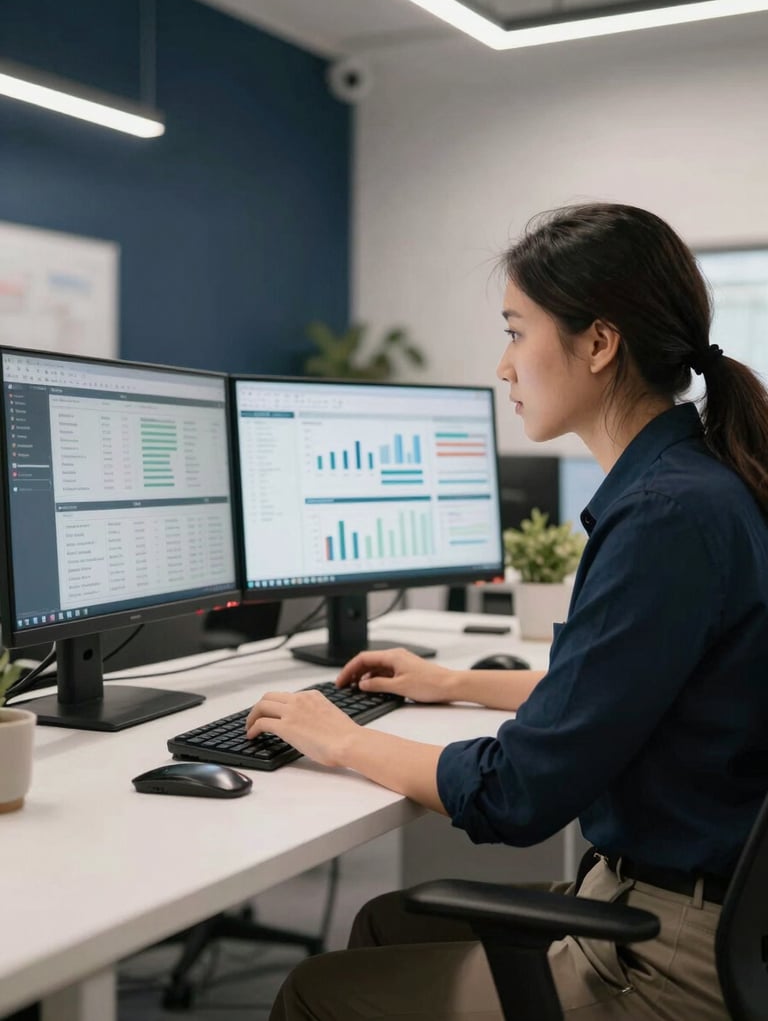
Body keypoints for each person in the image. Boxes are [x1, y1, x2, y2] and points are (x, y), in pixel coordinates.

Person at [245, 203, 768, 1020]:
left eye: (517, 331)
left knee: (315, 993)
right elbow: (620, 687)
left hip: (672, 956)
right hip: (700, 908)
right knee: (388, 923)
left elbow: (516, 792)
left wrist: (344, 739)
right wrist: (451, 680)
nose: (503, 365)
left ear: (598, 343)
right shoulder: (693, 485)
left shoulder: (666, 517)